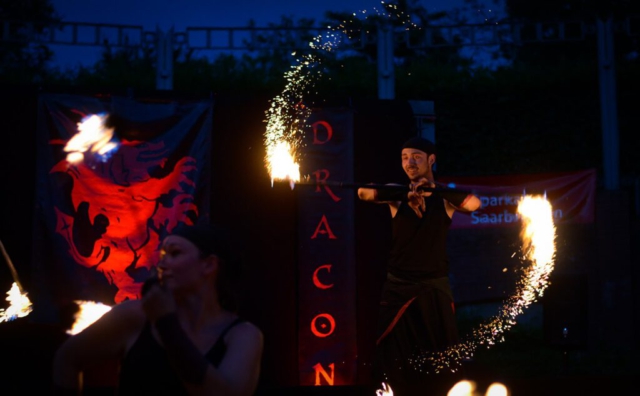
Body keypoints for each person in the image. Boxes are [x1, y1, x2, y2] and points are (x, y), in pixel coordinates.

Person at [52, 223, 264, 396]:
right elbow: (66, 358)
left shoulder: (243, 335)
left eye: (175, 253)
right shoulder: (134, 316)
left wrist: (166, 324)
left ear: (208, 265)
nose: (162, 265)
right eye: (162, 256)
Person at [357, 136, 481, 396]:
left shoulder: (445, 199)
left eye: (416, 156)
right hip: (398, 285)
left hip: (434, 285)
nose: (409, 162)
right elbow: (363, 193)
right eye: (404, 157)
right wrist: (407, 193)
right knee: (393, 354)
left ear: (431, 160)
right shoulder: (397, 196)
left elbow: (473, 203)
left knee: (443, 352)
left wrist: (432, 189)